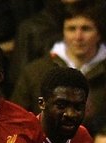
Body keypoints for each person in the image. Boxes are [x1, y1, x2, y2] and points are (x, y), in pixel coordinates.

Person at [12, 2, 106, 132]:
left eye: (86, 29)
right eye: (71, 29)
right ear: (63, 32)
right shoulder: (35, 72)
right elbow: (17, 120)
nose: (78, 37)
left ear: (99, 34)